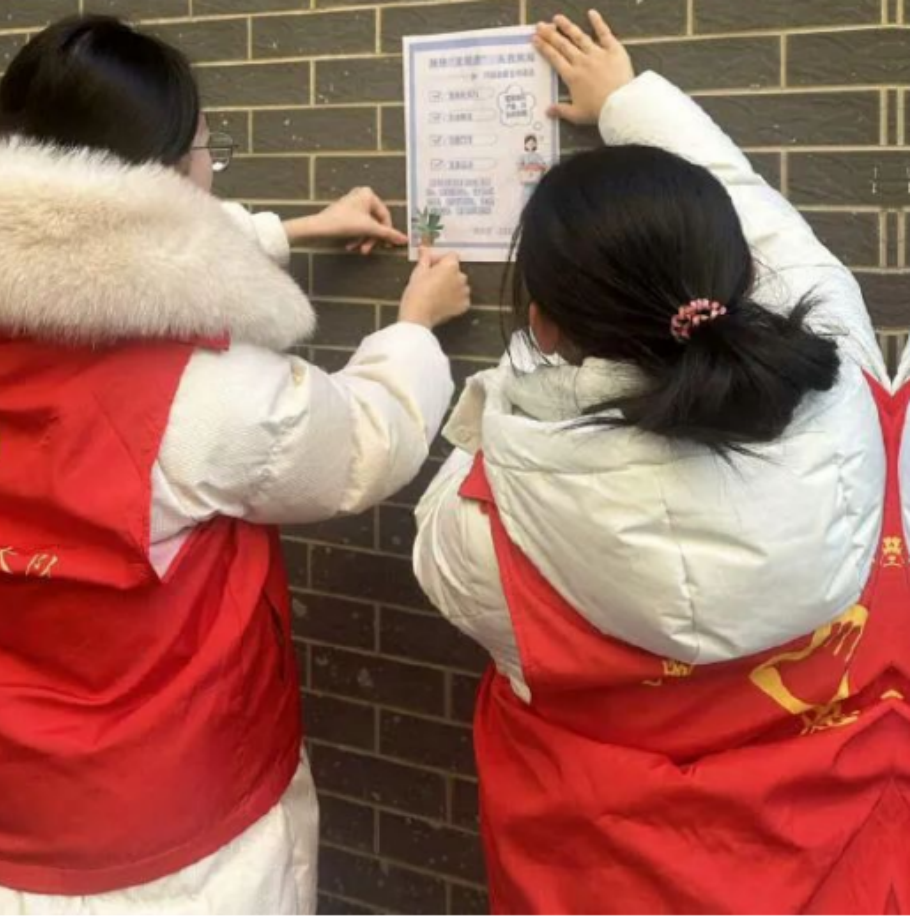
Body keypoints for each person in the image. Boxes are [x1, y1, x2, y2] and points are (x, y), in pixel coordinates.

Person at [0, 15, 470, 917]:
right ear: (166, 173)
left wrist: (296, 229)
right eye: (207, 150)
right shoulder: (200, 393)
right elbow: (362, 444)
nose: (212, 172)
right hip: (165, 855)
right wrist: (414, 327)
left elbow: (82, 252)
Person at [414, 11, 906, 915]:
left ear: (542, 322)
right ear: (736, 277)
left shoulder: (490, 531)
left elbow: (437, 524)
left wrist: (508, 396)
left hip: (597, 879)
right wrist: (629, 102)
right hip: (843, 865)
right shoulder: (847, 367)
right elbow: (756, 206)